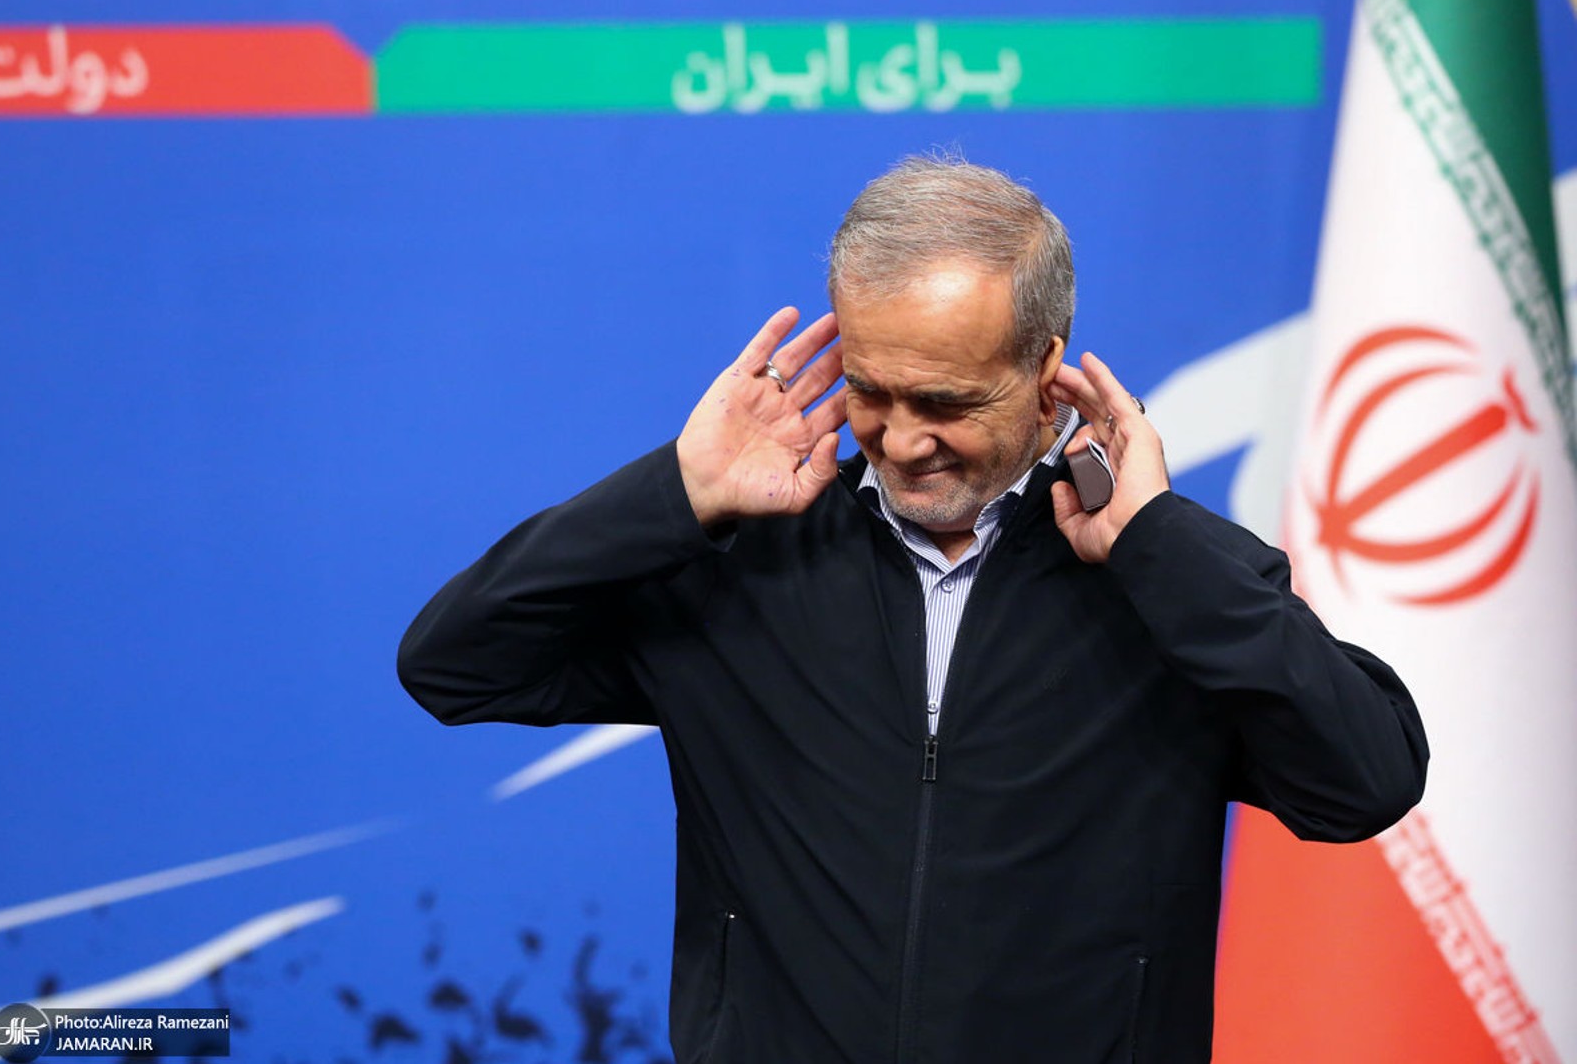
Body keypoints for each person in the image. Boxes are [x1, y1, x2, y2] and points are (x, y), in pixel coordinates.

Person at [397, 157, 1427, 1063]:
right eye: (869, 391)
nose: (899, 440)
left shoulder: (1166, 582)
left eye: (944, 403)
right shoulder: (736, 566)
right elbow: (454, 662)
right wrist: (676, 492)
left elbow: (1365, 781)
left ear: (1045, 373)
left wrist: (1159, 547)